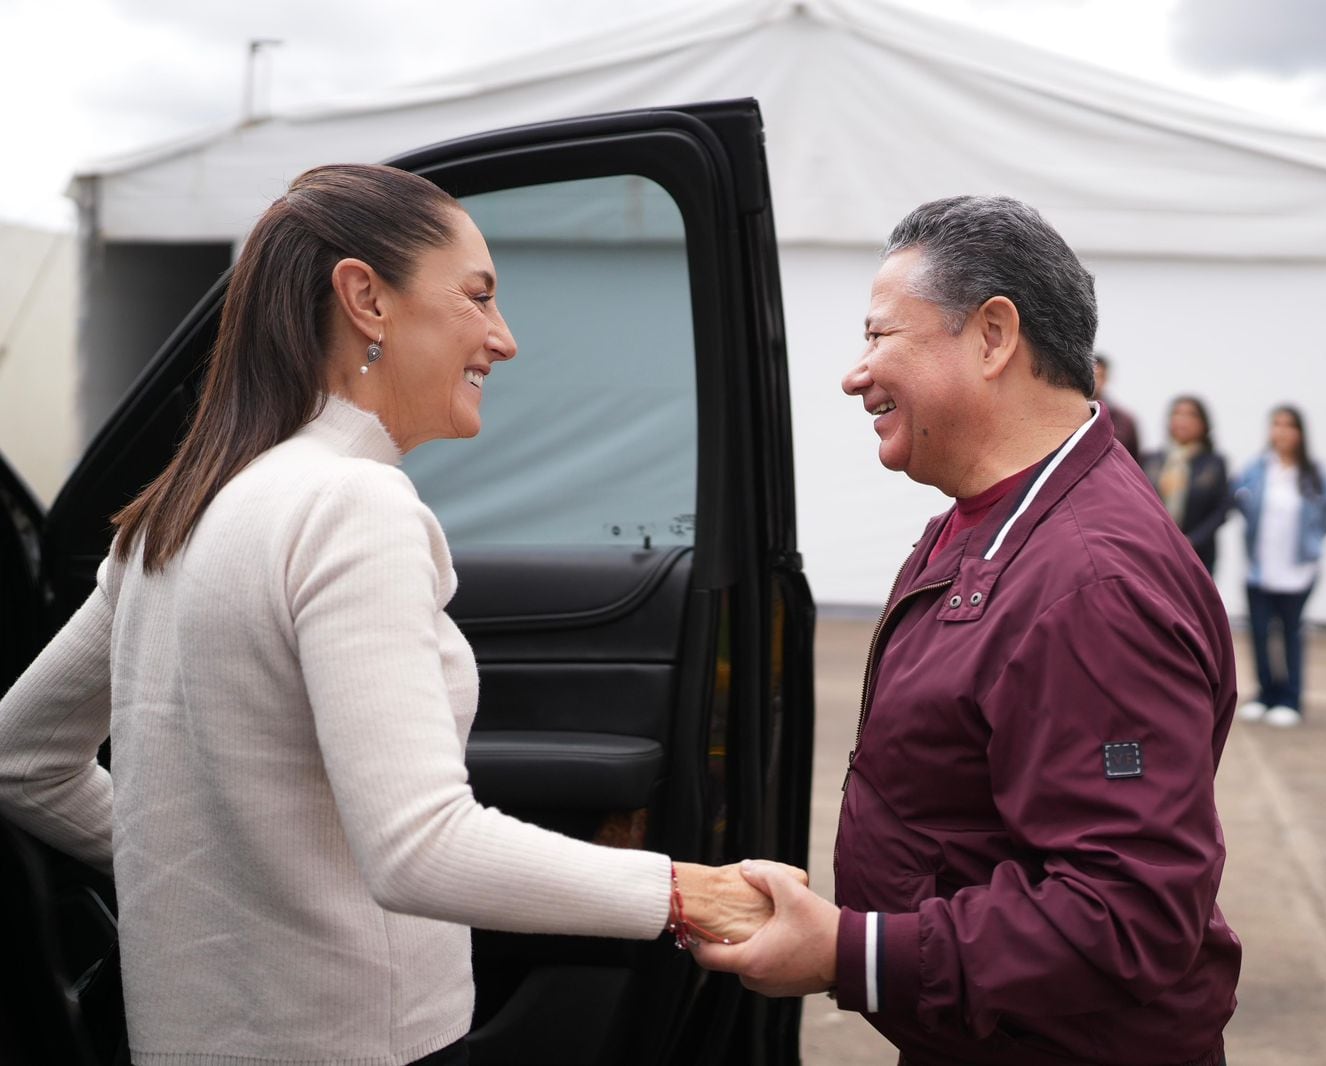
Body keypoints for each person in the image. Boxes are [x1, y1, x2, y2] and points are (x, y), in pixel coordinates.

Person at [0, 164, 786, 1066]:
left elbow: (22, 760)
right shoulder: (352, 506)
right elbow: (419, 846)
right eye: (477, 297)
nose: (504, 338)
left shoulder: (173, 519)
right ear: (366, 298)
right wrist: (691, 893)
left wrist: (188, 875)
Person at [697, 196, 1241, 1066]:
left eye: (880, 336)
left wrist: (851, 952)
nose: (855, 373)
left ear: (993, 337)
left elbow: (1127, 913)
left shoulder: (1088, 584)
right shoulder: (993, 519)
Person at [1232, 405, 1326, 729]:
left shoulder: (1313, 474)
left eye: (1288, 425)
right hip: (1260, 570)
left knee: (1290, 633)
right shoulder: (1258, 469)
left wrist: (1312, 547)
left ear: (1300, 433)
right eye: (1276, 424)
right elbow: (1239, 499)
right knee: (1260, 633)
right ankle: (1266, 694)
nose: (1281, 431)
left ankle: (1291, 698)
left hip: (1297, 572)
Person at [1142, 395, 1231, 573]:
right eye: (1177, 414)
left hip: (1198, 554)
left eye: (1191, 415)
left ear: (1203, 424)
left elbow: (1221, 510)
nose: (1183, 420)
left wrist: (1191, 541)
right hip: (1155, 551)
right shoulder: (1152, 461)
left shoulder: (1213, 463)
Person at [1092, 351, 1141, 458]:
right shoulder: (1069, 416)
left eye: (1099, 376)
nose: (1095, 381)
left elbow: (1135, 461)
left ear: (1106, 378)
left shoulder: (1124, 421)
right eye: (1092, 376)